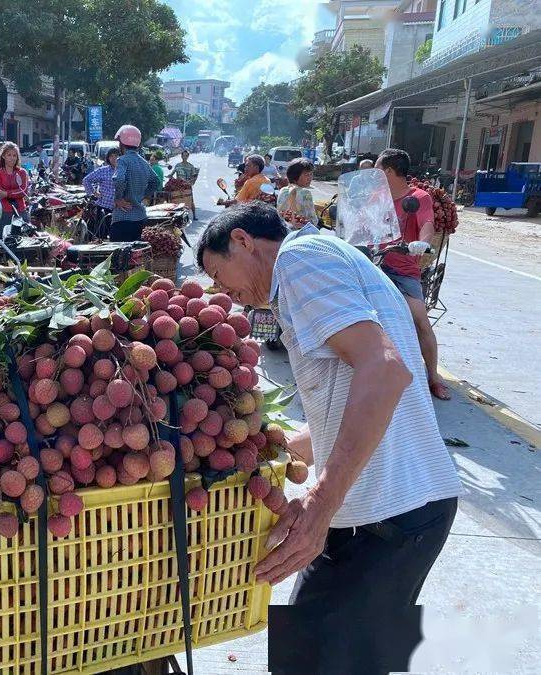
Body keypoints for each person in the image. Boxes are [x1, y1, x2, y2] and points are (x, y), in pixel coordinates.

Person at [196, 202, 461, 673]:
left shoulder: (301, 260)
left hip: (389, 523)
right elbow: (351, 406)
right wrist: (271, 446)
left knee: (310, 662)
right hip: (404, 519)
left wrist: (320, 504)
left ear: (242, 240)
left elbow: (384, 371)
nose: (223, 292)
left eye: (219, 274)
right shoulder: (325, 261)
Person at [376, 148, 450, 400]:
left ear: (388, 171)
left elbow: (427, 224)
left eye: (377, 169)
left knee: (420, 320)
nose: (374, 174)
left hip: (401, 268)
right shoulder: (377, 196)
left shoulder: (418, 197)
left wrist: (421, 243)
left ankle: (432, 376)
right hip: (372, 264)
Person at [111, 124, 159, 242]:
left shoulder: (122, 161)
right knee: (136, 257)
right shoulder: (143, 162)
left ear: (121, 143)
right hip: (140, 218)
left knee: (119, 257)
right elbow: (156, 181)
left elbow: (119, 179)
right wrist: (142, 196)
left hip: (122, 218)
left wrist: (118, 198)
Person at [0, 141, 30, 235]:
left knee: (25, 242)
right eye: (9, 155)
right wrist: (14, 193)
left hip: (21, 211)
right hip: (4, 212)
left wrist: (7, 194)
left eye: (14, 155)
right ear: (3, 156)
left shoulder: (22, 172)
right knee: (2, 243)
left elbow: (23, 191)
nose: (12, 158)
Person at [82, 147, 119, 237]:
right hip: (104, 207)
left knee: (117, 236)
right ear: (108, 158)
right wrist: (94, 193)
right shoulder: (103, 170)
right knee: (101, 235)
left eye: (116, 156)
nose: (114, 158)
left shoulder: (125, 170)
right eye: (111, 156)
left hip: (119, 209)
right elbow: (86, 180)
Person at [276, 157, 317, 227]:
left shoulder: (283, 190)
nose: (310, 178)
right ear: (295, 176)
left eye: (311, 174)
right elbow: (313, 220)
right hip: (300, 233)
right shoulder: (306, 193)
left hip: (283, 231)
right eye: (306, 175)